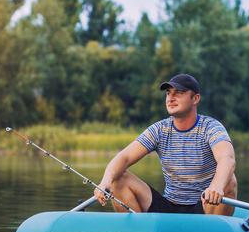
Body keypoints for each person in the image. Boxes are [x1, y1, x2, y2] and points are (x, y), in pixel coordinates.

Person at [95, 73, 237, 215]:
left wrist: (217, 186)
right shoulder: (159, 129)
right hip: (169, 208)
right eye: (168, 93)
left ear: (195, 98)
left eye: (179, 93)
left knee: (229, 180)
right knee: (117, 177)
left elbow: (227, 158)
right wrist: (105, 182)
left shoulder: (211, 127)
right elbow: (124, 157)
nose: (171, 98)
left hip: (205, 206)